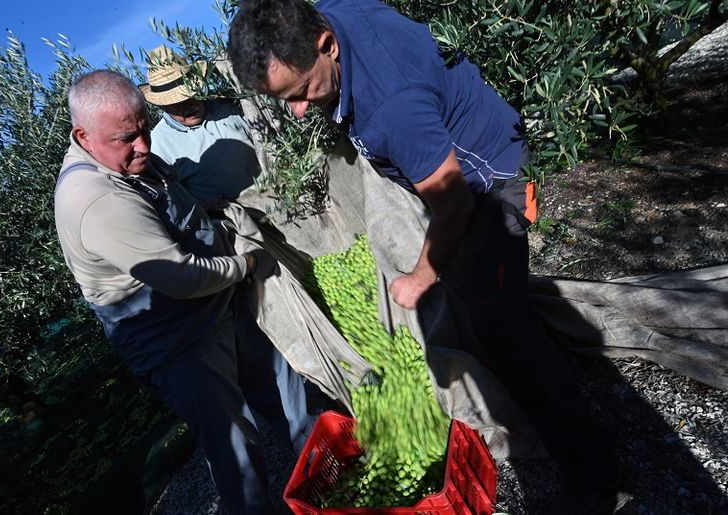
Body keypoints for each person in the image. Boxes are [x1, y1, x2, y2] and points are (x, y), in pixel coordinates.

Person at [227, 1, 626, 513]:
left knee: (507, 333)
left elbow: (455, 202)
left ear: (327, 45)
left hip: (486, 184)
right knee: (484, 306)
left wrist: (418, 279)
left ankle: (596, 475)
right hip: (445, 165)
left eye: (301, 92)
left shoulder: (391, 108)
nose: (298, 110)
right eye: (283, 99)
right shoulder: (323, 15)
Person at [54, 69, 313, 514]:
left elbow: (168, 203)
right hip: (176, 340)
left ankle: (331, 478)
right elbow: (180, 276)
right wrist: (245, 264)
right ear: (83, 135)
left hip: (219, 306)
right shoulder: (94, 198)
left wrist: (203, 211)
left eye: (142, 130)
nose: (143, 147)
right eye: (126, 139)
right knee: (234, 445)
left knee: (287, 390)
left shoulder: (129, 155)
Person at [140, 45, 262, 204]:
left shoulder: (228, 104)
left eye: (191, 95)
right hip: (232, 222)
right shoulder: (158, 145)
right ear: (163, 106)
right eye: (178, 102)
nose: (189, 105)